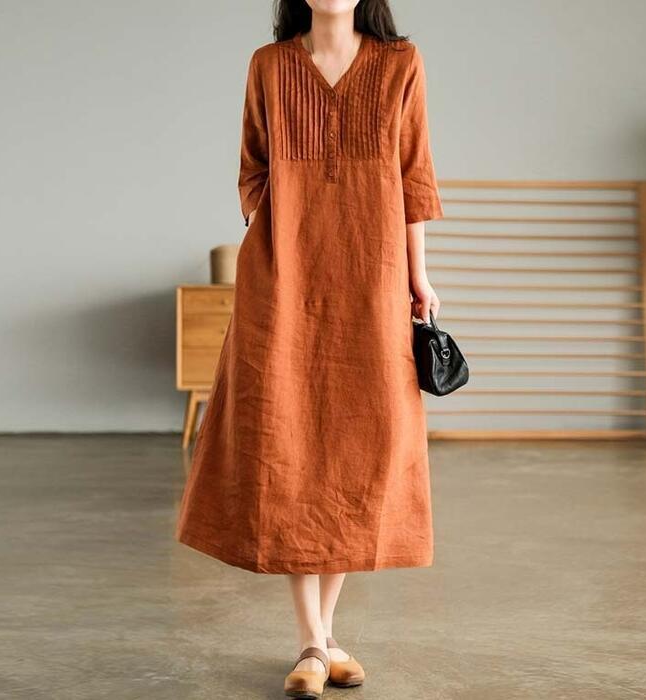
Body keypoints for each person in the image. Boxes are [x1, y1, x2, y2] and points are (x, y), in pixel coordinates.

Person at [176, 1, 443, 696]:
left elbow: (414, 176)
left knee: (356, 447)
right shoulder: (269, 65)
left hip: (372, 277)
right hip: (283, 280)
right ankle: (313, 642)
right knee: (287, 445)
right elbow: (252, 170)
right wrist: (281, 232)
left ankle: (322, 643)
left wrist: (417, 276)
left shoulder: (400, 63)